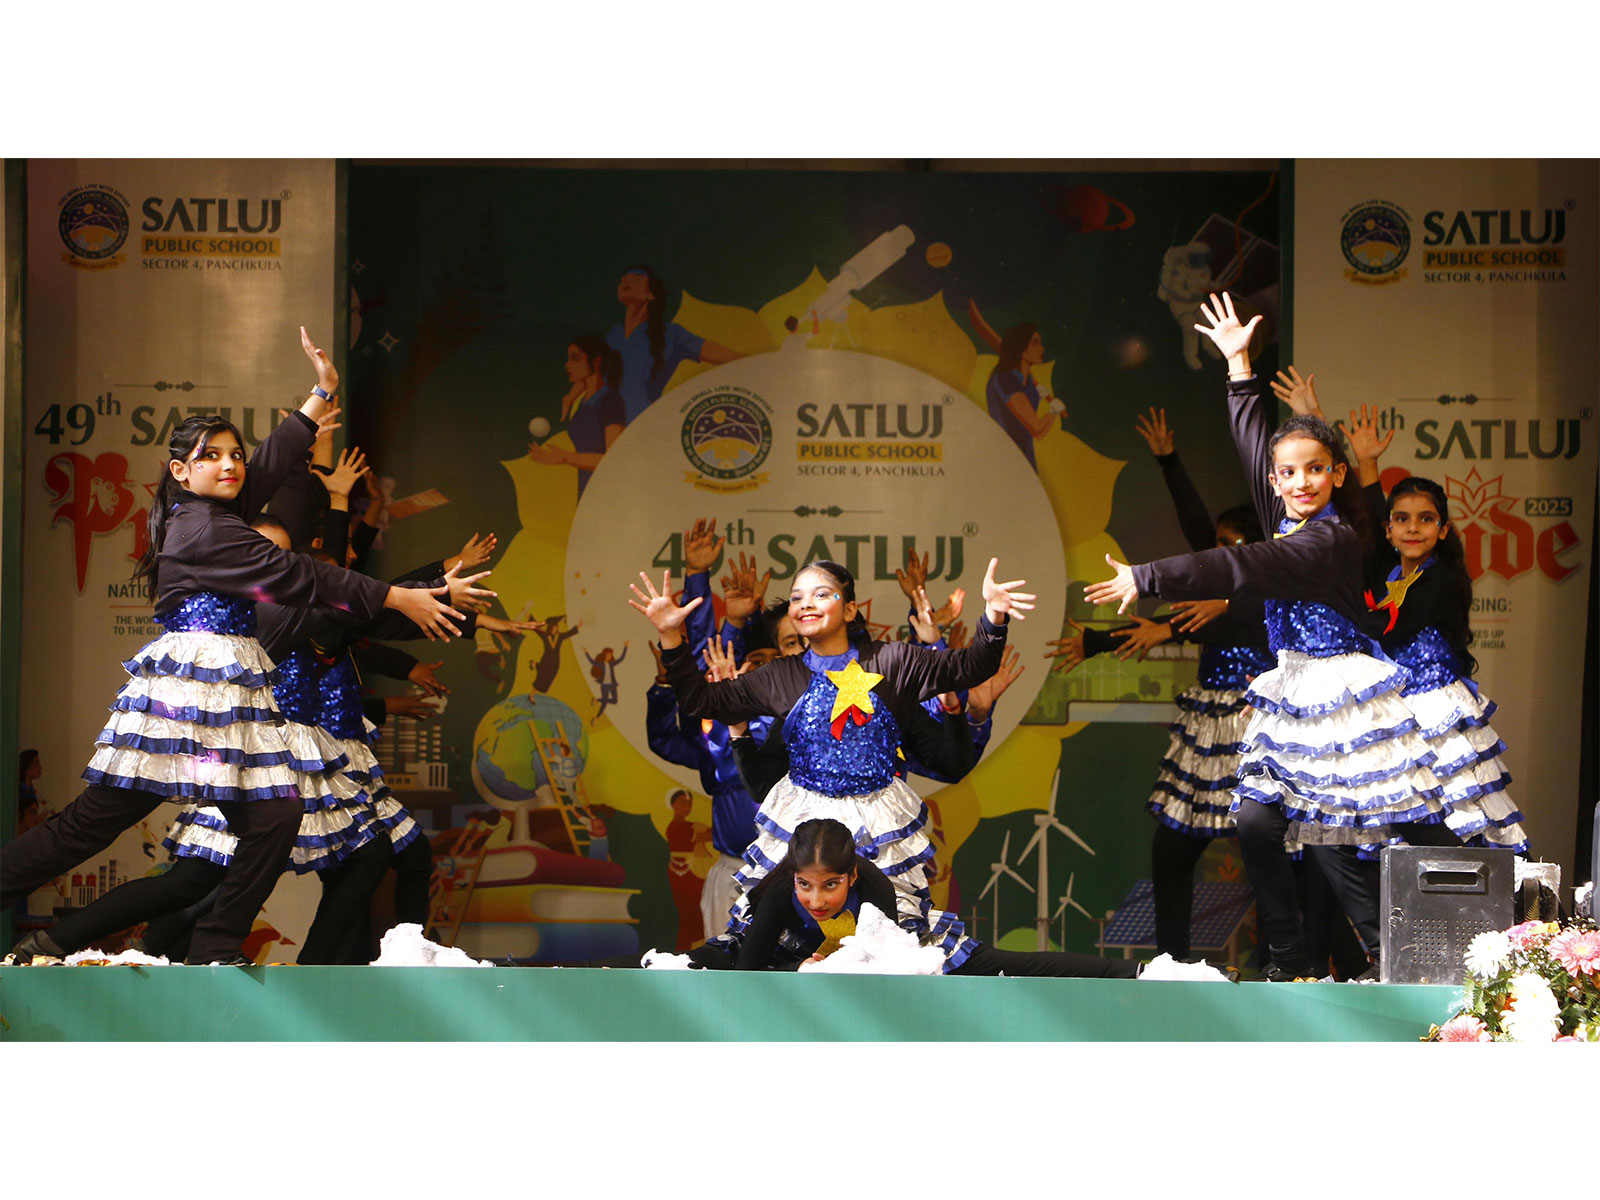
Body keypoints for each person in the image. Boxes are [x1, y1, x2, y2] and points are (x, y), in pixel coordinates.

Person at [0, 327, 466, 966]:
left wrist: (317, 396)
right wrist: (395, 597)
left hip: (219, 701)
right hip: (186, 701)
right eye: (210, 455)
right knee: (92, 825)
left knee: (274, 817)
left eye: (232, 453)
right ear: (179, 470)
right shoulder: (208, 532)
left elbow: (270, 462)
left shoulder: (218, 512)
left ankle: (218, 948)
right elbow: (302, 577)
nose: (228, 464)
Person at [1085, 292, 1455, 982]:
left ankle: (1447, 934)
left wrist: (1148, 575)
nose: (1301, 481)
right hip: (1291, 688)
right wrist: (1237, 365)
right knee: (1258, 823)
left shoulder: (1331, 540)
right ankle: (1288, 961)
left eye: (1317, 469)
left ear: (1336, 475)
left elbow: (1238, 563)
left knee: (1389, 826)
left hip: (1341, 691)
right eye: (1289, 473)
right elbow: (1255, 438)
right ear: (1275, 482)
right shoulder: (1281, 511)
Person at [631, 554, 1033, 972]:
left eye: (821, 594)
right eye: (796, 597)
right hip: (802, 825)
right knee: (777, 938)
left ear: (850, 608)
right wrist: (670, 634)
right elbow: (701, 700)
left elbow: (972, 666)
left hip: (876, 829)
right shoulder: (777, 677)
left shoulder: (894, 661)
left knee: (886, 946)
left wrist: (994, 614)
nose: (806, 603)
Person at [1051, 406, 1275, 962]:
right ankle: (1176, 963)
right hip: (1206, 726)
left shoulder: (1263, 591)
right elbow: (1193, 533)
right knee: (1173, 847)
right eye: (1219, 545)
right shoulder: (1215, 579)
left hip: (1254, 724)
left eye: (1232, 545)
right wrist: (1168, 459)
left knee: (1270, 851)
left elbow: (1181, 623)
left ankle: (1282, 965)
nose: (1219, 551)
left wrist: (1152, 629)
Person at [1343, 405, 1530, 855]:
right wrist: (1367, 465)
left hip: (1437, 715)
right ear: (1390, 530)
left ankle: (1480, 916)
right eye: (1402, 519)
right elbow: (1368, 520)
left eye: (1425, 519)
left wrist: (1341, 617)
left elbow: (1391, 629)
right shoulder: (1387, 570)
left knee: (1453, 822)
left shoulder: (1440, 579)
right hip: (1395, 714)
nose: (1412, 528)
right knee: (1394, 827)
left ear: (1443, 529)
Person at [716, 818, 1138, 978]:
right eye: (805, 885)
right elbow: (748, 973)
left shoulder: (875, 891)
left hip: (890, 960)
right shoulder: (776, 896)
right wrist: (799, 966)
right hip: (795, 963)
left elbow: (881, 971)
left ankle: (1129, 971)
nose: (816, 899)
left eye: (830, 885)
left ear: (852, 876)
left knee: (1007, 964)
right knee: (710, 959)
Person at [606, 265, 740, 424]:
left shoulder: (672, 334)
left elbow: (730, 357)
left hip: (642, 425)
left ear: (651, 293)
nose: (626, 282)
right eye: (623, 280)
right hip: (605, 428)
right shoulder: (613, 334)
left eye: (637, 279)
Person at [525, 334, 625, 497]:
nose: (567, 365)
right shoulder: (581, 406)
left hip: (608, 496)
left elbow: (614, 459)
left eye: (575, 359)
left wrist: (564, 457)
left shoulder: (610, 401)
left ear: (596, 362)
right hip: (586, 495)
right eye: (568, 359)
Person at [984, 323, 1066, 470]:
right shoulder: (1004, 380)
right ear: (1020, 349)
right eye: (1035, 343)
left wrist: (1049, 411)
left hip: (1025, 463)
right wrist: (1052, 412)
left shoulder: (1029, 384)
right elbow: (1036, 429)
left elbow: (1038, 435)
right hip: (1004, 463)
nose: (1042, 349)